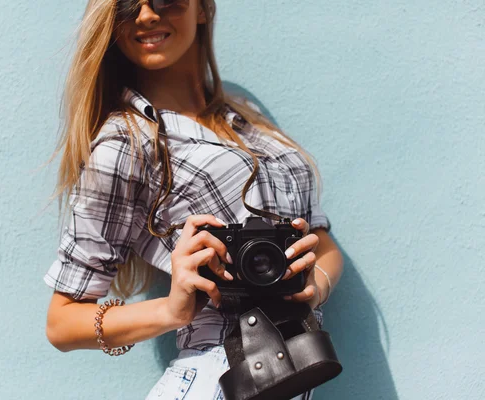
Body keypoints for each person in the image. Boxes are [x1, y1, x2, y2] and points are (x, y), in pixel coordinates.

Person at [43, 0, 344, 399]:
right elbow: (61, 324)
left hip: (294, 368)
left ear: (201, 8)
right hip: (218, 375)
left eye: (166, 0)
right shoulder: (127, 144)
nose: (148, 15)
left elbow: (321, 241)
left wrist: (312, 287)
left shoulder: (246, 119)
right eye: (128, 7)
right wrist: (172, 310)